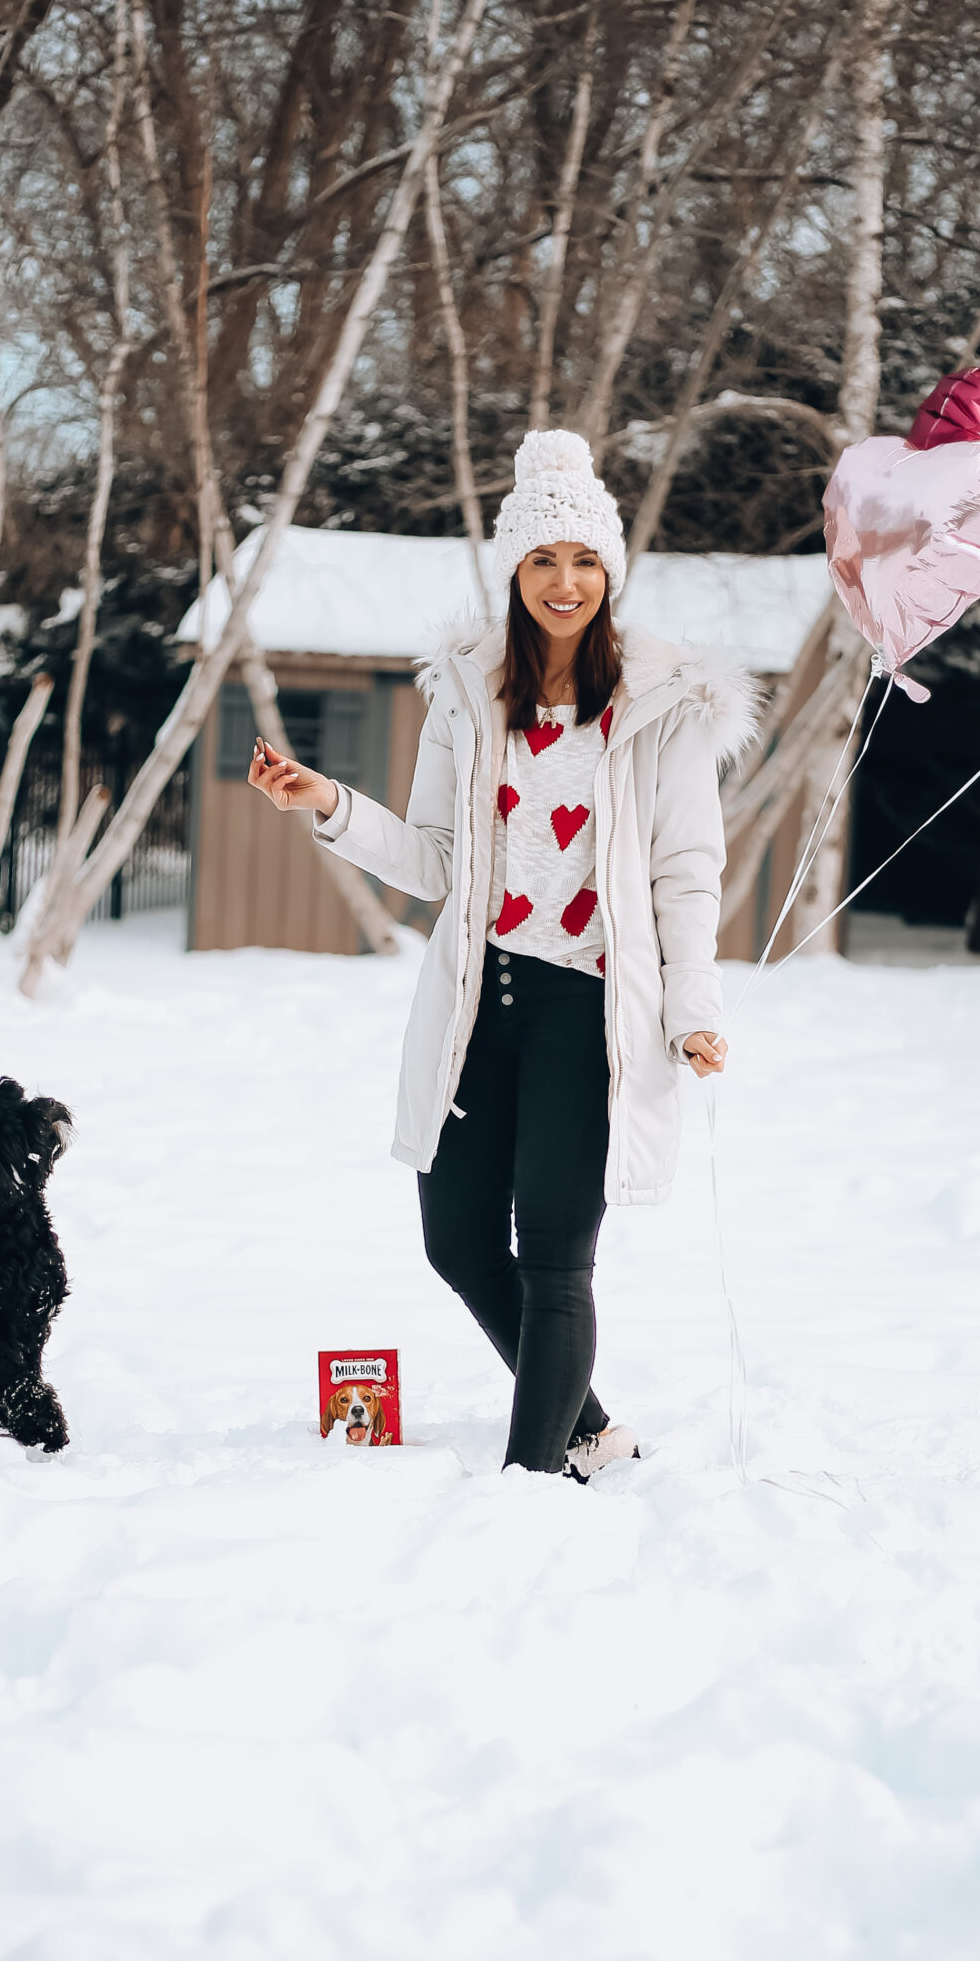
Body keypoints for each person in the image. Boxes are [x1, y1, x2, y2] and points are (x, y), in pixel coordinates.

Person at [249, 429, 755, 1479]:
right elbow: (435, 860)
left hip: (589, 1009)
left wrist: (692, 1007)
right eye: (541, 560)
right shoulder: (468, 697)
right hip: (482, 999)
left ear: (608, 574)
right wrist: (329, 805)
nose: (563, 582)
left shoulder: (660, 704)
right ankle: (588, 1430)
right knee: (457, 1241)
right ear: (513, 573)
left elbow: (685, 871)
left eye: (581, 561)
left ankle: (532, 1483)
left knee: (558, 1260)